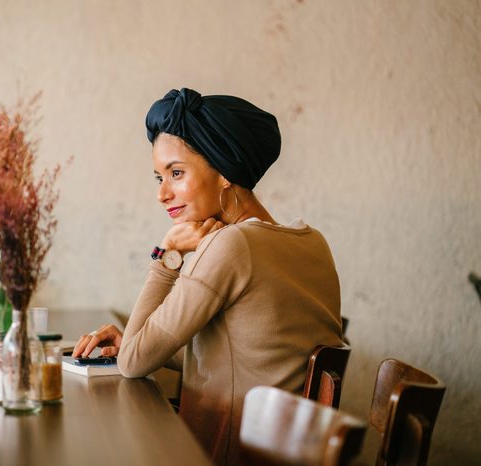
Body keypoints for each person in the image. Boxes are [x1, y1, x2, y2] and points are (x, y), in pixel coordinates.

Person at [72, 88, 343, 465]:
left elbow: (133, 363)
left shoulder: (232, 246)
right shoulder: (313, 241)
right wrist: (140, 338)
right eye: (159, 178)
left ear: (225, 172)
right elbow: (251, 359)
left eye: (177, 173)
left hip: (221, 454)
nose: (162, 194)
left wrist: (166, 255)